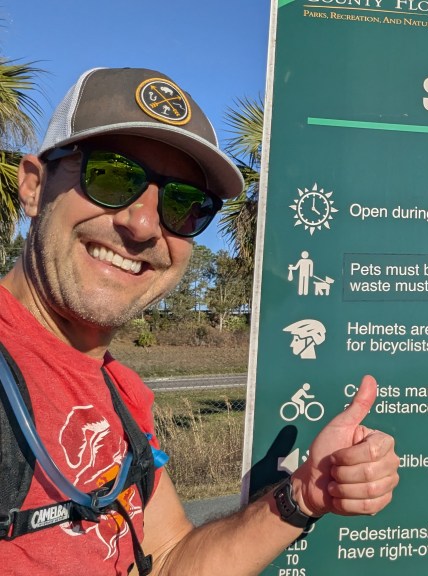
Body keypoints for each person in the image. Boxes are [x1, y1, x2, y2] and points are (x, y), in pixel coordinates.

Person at [0, 67, 399, 575]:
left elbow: (170, 560)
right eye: (112, 176)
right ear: (34, 186)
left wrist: (303, 494)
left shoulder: (121, 395)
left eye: (184, 204)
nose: (143, 224)